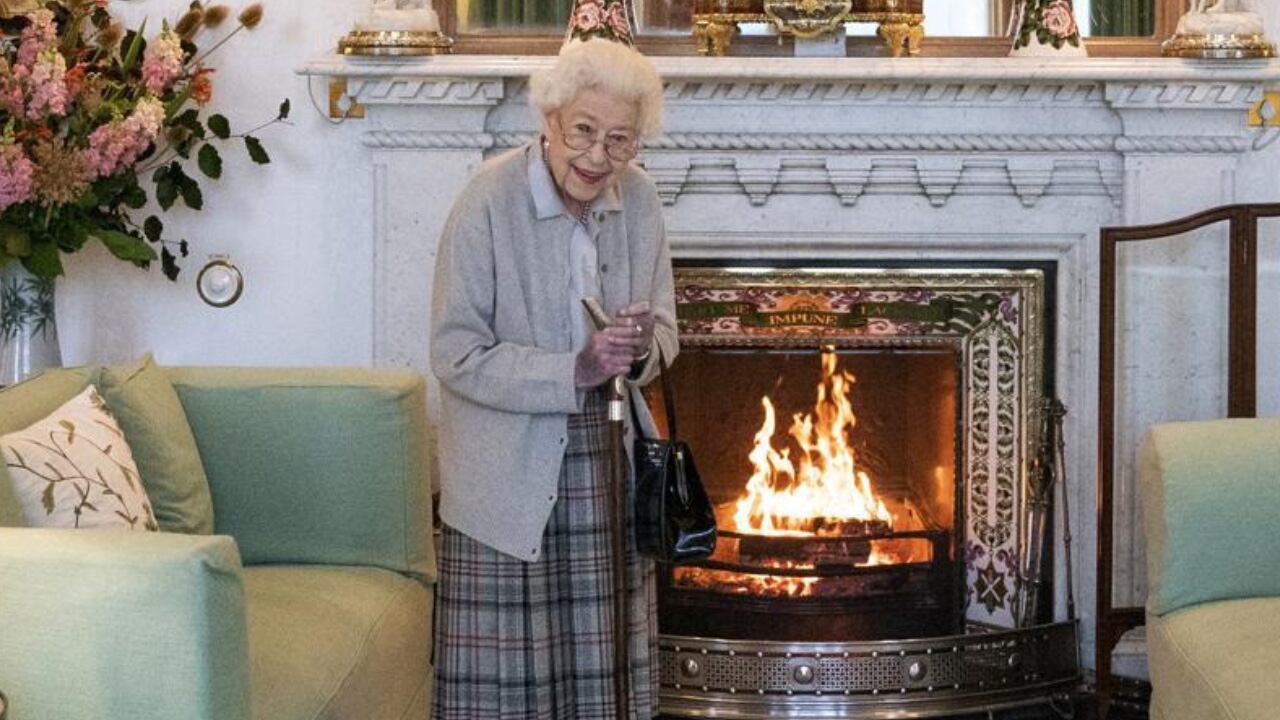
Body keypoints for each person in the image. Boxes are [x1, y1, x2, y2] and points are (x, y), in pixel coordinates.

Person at [429, 30, 675, 720]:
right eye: (584, 132)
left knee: (603, 685)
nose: (599, 156)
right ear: (549, 121)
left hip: (607, 465)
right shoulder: (486, 201)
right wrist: (575, 368)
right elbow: (455, 353)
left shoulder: (642, 203)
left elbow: (666, 336)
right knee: (508, 692)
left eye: (620, 141)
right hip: (504, 478)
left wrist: (638, 344)